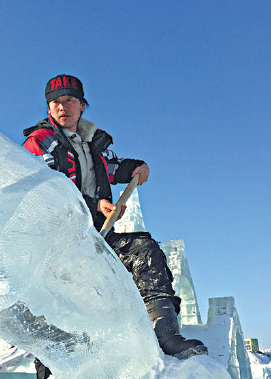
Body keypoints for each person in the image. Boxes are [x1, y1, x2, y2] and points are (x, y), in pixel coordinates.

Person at [23, 74, 207, 378]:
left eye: (69, 100)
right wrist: (95, 205)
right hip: (54, 244)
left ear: (82, 105)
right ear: (49, 108)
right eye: (55, 102)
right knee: (60, 306)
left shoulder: (94, 142)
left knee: (144, 251)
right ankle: (51, 371)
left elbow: (111, 168)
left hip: (94, 237)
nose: (62, 106)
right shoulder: (39, 142)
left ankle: (164, 334)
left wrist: (135, 167)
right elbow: (46, 188)